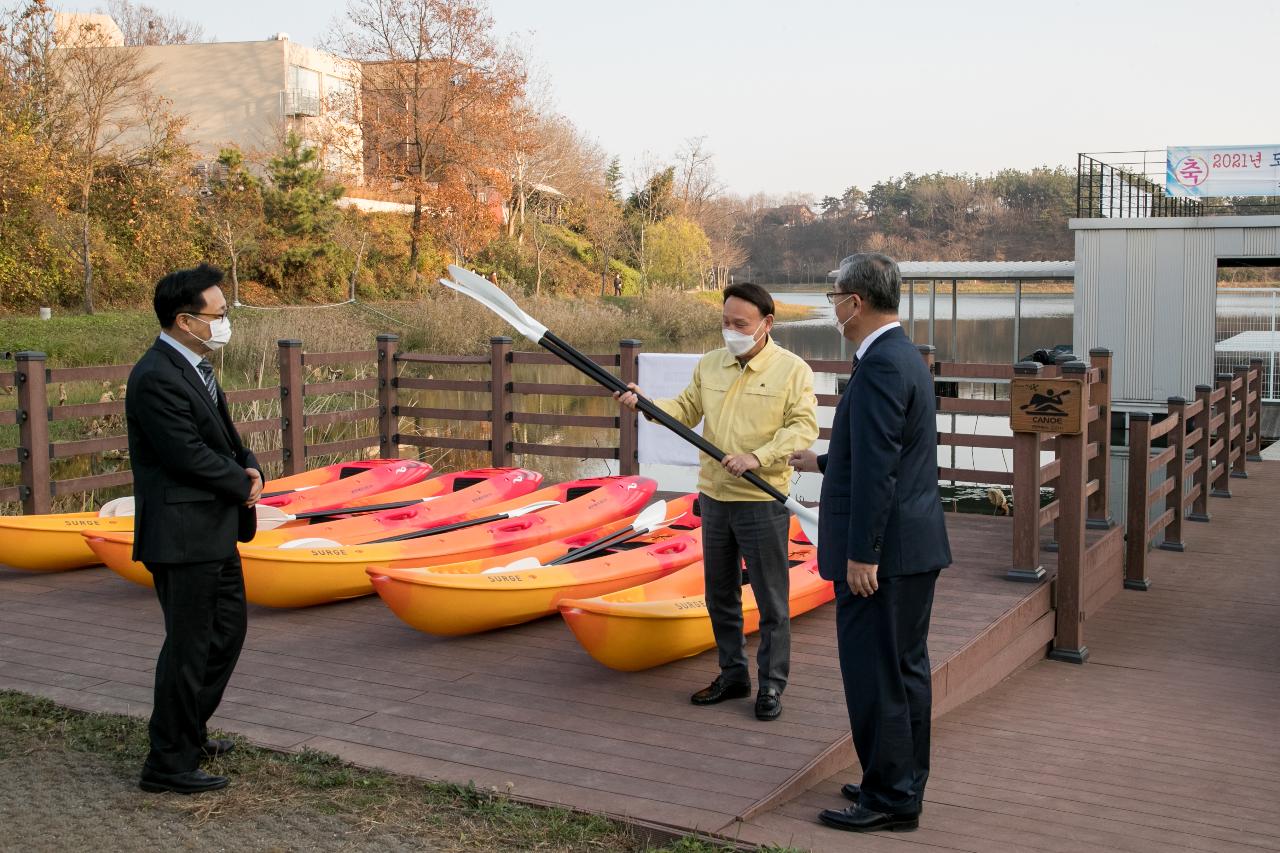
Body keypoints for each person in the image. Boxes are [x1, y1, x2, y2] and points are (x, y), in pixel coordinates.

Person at [788, 253, 951, 833]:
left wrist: (864, 553)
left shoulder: (881, 364)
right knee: (904, 669)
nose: (831, 304)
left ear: (855, 301)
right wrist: (824, 459)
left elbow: (882, 467)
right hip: (913, 545)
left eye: (834, 295)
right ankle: (897, 778)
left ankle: (889, 797)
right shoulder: (901, 356)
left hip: (887, 555)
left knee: (876, 672)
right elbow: (889, 450)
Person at [616, 283, 818, 720]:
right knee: (719, 595)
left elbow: (802, 429)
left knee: (771, 600)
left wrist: (757, 457)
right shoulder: (711, 364)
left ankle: (771, 686)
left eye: (740, 324)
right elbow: (684, 410)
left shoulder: (792, 370)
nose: (731, 331)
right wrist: (647, 404)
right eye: (725, 322)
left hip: (762, 502)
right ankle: (732, 674)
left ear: (766, 324)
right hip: (714, 496)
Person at [126, 263, 264, 795]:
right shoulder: (157, 374)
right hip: (183, 535)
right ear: (186, 320)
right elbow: (184, 454)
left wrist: (249, 464)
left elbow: (222, 437)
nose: (225, 322)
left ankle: (188, 731)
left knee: (226, 634)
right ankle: (167, 762)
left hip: (212, 529)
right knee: (188, 648)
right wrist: (239, 482)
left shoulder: (195, 366)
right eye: (219, 315)